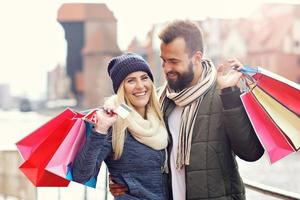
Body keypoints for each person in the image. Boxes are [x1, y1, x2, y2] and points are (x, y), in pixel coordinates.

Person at [110, 20, 264, 200]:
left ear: (196, 58)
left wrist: (230, 95)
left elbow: (251, 153)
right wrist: (122, 180)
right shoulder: (160, 99)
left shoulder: (224, 93)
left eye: (174, 61)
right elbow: (138, 148)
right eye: (164, 60)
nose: (167, 68)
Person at [72, 53, 170, 199]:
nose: (140, 86)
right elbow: (81, 175)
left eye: (144, 78)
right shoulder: (114, 124)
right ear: (121, 88)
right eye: (131, 81)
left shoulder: (161, 116)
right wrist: (100, 130)